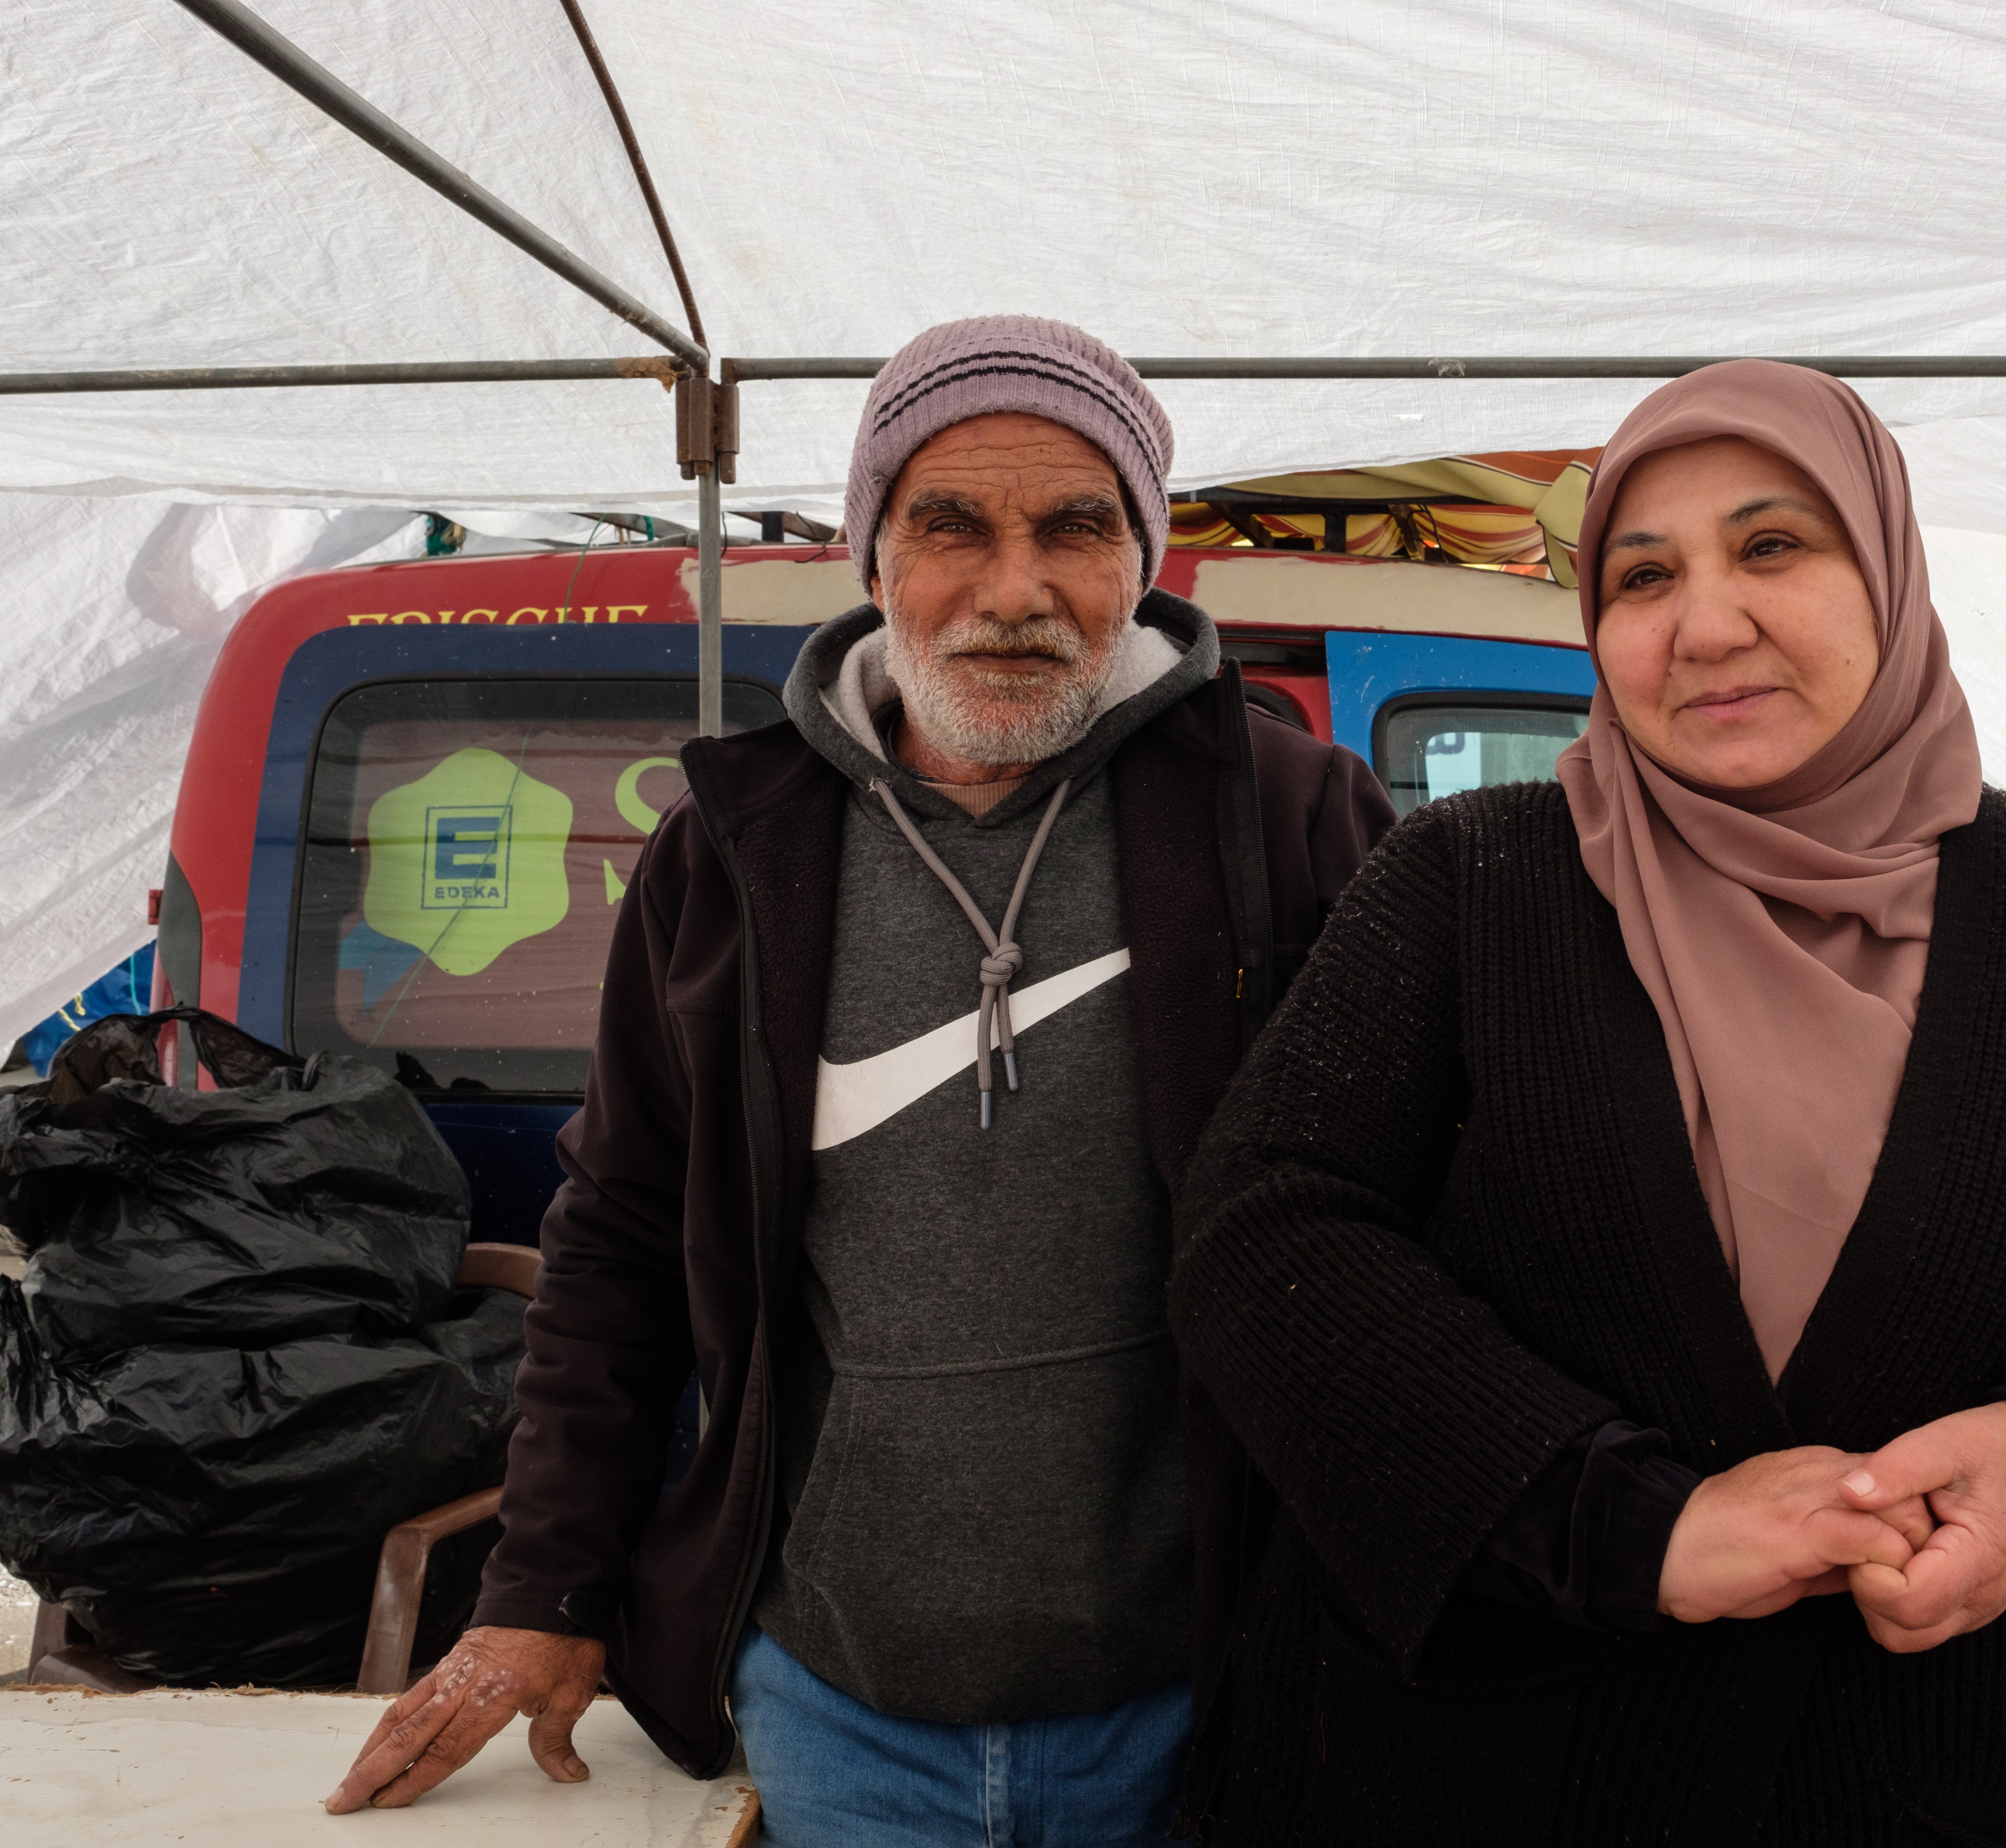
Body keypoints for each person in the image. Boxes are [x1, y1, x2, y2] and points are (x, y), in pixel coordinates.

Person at [1165, 360, 2006, 1843]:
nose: (1707, 623)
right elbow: (1270, 1236)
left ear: (1890, 572)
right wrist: (1624, 1524)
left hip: (1977, 1782)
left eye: (1772, 547)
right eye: (1642, 574)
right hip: (1499, 1771)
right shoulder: (1472, 885)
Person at [324, 316, 1395, 1842]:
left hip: (1197, 1691)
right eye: (949, 523)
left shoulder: (1285, 818)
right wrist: (543, 1590)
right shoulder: (733, 849)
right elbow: (619, 1237)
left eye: (1076, 528)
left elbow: (1403, 1225)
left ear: (1142, 562)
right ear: (869, 555)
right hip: (834, 1706)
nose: (1014, 589)